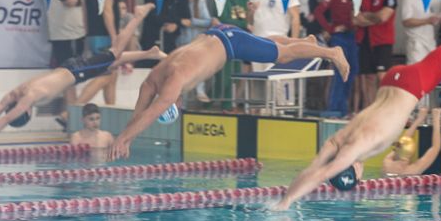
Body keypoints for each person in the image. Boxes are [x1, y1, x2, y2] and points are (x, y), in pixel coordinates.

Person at [278, 0, 441, 208]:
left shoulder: (354, 147)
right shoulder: (338, 139)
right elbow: (312, 170)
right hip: (391, 81)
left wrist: (286, 204)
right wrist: (285, 200)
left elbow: (321, 174)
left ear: (353, 171)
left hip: (411, 86)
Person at [109, 27, 351, 160]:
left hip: (230, 44)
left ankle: (332, 52)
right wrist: (126, 136)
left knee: (283, 55)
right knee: (265, 44)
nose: (178, 101)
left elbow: (152, 112)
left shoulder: (174, 80)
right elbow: (143, 102)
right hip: (218, 33)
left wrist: (123, 138)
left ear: (175, 100)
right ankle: (303, 40)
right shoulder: (155, 77)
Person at [0, 4, 162, 150]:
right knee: (109, 62)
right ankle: (149, 53)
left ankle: (138, 15)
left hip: (75, 71)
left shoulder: (27, 99)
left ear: (26, 112)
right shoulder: (14, 94)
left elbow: (3, 120)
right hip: (70, 69)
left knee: (115, 52)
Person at [354, 0, 397, 110]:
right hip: (364, 41)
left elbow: (383, 17)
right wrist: (375, 17)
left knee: (382, 77)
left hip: (382, 42)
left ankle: (385, 108)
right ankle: (370, 108)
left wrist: (366, 15)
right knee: (368, 77)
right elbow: (355, 20)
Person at [315, 0, 358, 116]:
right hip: (339, 37)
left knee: (352, 71)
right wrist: (331, 29)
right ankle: (334, 109)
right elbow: (318, 12)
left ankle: (343, 108)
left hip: (353, 37)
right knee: (339, 72)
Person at [211, 0, 250, 110]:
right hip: (226, 42)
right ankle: (218, 103)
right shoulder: (222, 1)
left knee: (238, 74)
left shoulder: (244, 0)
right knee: (224, 75)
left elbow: (248, 20)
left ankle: (231, 103)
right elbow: (223, 20)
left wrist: (242, 24)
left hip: (242, 42)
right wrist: (242, 24)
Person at [179, 0, 215, 103]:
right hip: (182, 42)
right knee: (183, 71)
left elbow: (208, 21)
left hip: (197, 42)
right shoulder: (180, 1)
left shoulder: (200, 2)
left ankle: (200, 91)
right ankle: (182, 98)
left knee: (199, 68)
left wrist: (192, 21)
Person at [382, 108, 441, 176]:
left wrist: (419, 119)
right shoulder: (412, 170)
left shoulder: (386, 163)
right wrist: (436, 119)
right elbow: (435, 147)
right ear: (411, 153)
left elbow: (402, 142)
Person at [401, 0, 439, 65]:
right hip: (417, 43)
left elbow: (432, 17)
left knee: (431, 69)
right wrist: (427, 21)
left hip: (430, 42)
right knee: (415, 70)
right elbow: (406, 22)